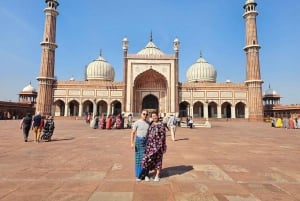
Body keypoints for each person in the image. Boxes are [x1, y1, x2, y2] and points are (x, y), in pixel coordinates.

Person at [141, 111, 167, 182]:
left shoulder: (161, 125)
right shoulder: (151, 124)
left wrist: (163, 146)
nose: (154, 117)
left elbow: (163, 136)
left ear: (158, 116)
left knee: (158, 160)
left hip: (159, 146)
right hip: (150, 145)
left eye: (155, 116)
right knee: (147, 159)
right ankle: (146, 174)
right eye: (153, 116)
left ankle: (157, 175)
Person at [130, 110, 150, 181]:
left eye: (146, 114)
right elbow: (133, 133)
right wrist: (132, 143)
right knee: (139, 158)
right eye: (144, 114)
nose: (145, 115)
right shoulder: (137, 122)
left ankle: (146, 174)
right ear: (141, 114)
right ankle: (139, 175)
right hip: (139, 141)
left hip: (146, 142)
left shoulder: (148, 123)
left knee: (147, 158)